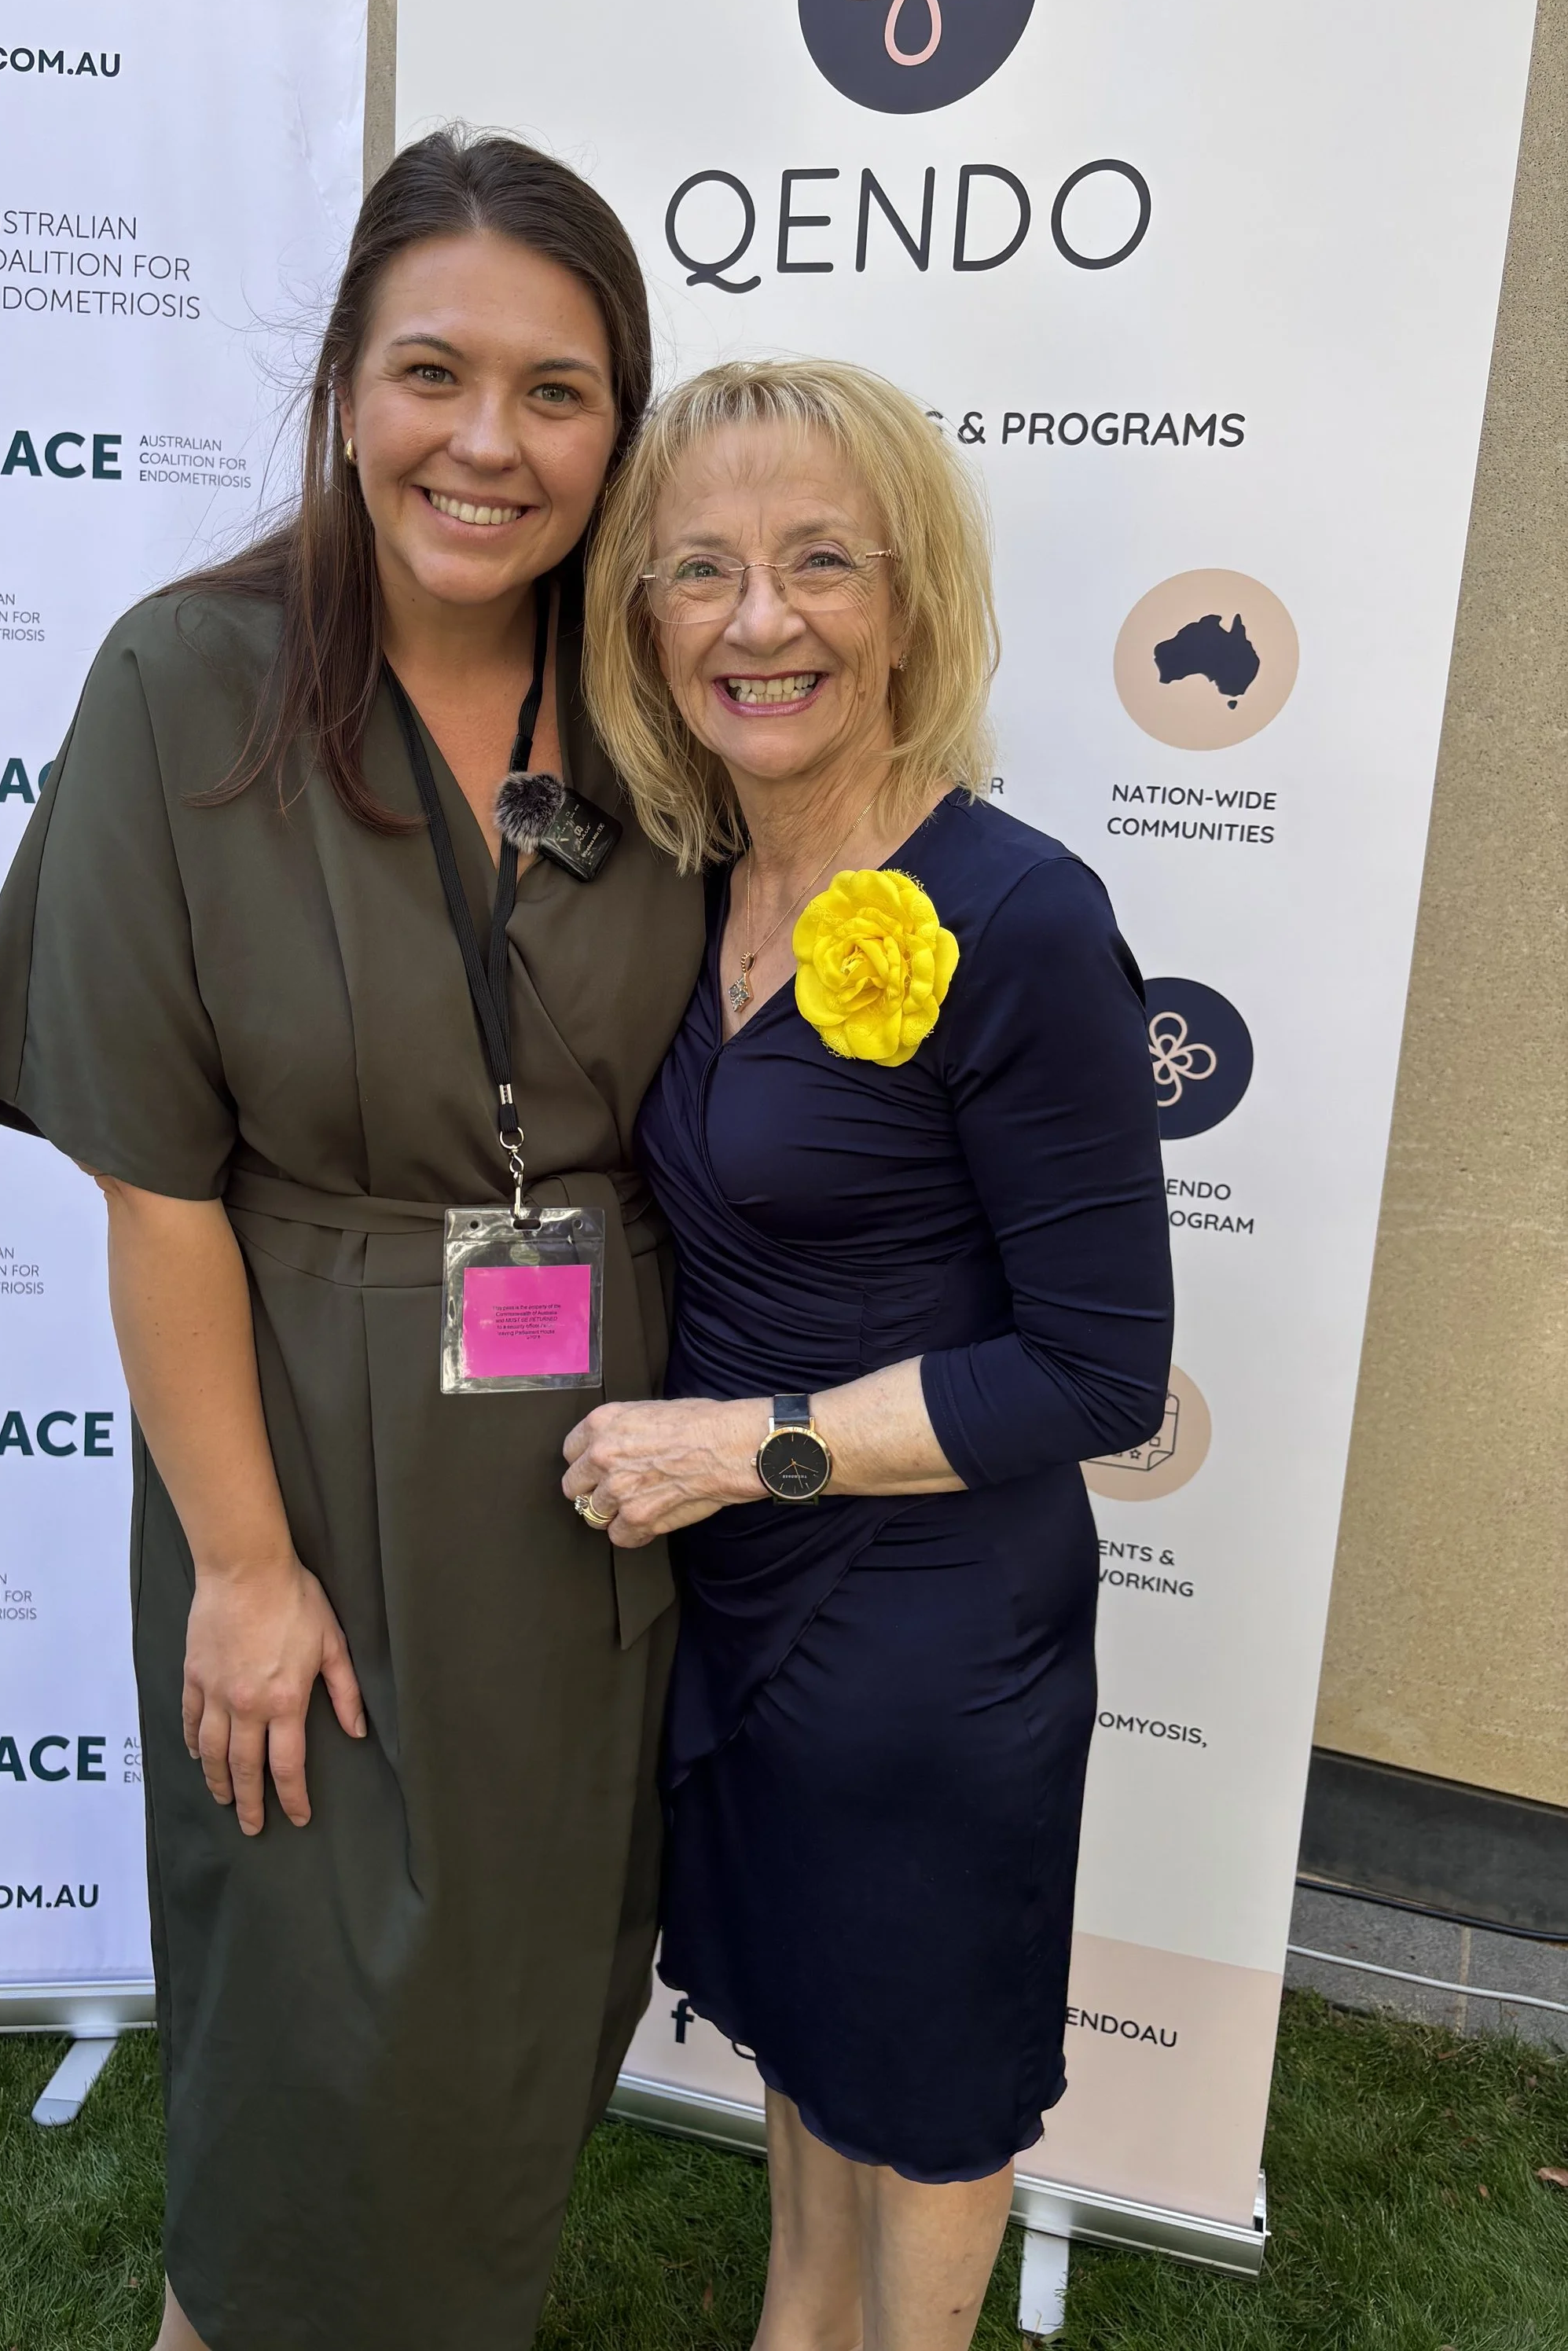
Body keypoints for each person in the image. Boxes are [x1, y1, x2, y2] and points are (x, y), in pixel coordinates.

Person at [0, 130, 706, 2351]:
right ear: (342, 387)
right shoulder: (188, 684)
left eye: (557, 392)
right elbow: (154, 1190)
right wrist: (245, 1572)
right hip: (308, 1458)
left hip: (590, 1471)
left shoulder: (659, 699)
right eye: (431, 372)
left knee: (514, 2022)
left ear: (618, 425)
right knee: (314, 2038)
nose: (488, 442)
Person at [567, 358, 1172, 2351]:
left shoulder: (1016, 917)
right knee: (807, 2042)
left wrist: (739, 1451)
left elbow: (1090, 1376)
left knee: (916, 2087)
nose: (759, 620)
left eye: (820, 561)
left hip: (926, 1635)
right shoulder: (685, 884)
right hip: (735, 1615)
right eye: (701, 572)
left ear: (907, 600)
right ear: (641, 622)